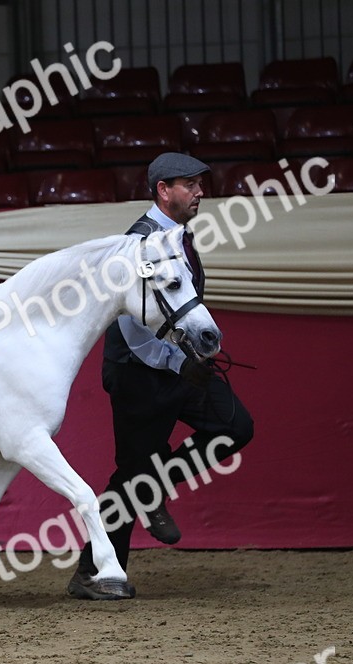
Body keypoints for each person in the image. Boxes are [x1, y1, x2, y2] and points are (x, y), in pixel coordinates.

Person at [68, 152, 254, 600]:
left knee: (234, 426)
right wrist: (179, 362)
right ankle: (93, 575)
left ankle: (153, 488)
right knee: (130, 474)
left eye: (199, 184)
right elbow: (132, 328)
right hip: (139, 371)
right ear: (162, 190)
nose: (199, 192)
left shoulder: (177, 236)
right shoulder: (139, 242)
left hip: (176, 365)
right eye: (189, 184)